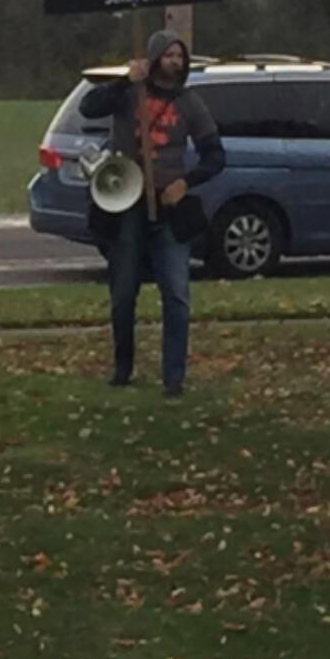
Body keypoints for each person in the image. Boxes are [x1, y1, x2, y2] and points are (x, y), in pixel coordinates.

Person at [81, 31, 224, 397]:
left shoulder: (189, 104)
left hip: (169, 209)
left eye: (180, 56)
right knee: (123, 294)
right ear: (155, 58)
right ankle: (122, 367)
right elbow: (89, 107)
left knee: (176, 294)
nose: (175, 61)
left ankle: (173, 377)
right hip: (126, 206)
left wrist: (186, 182)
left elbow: (215, 156)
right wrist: (122, 82)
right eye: (169, 55)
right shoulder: (128, 94)